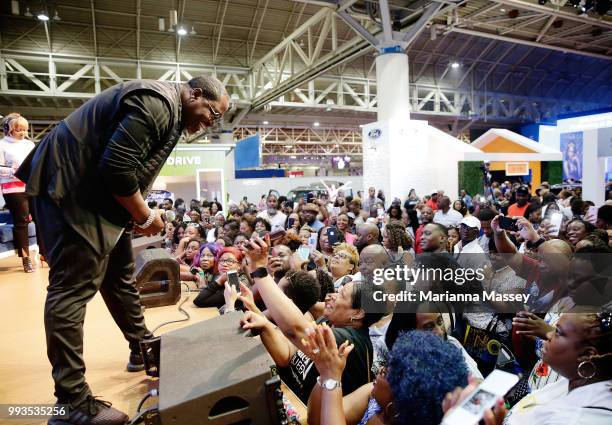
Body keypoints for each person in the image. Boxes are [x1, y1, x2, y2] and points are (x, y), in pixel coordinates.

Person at [16, 75, 229, 423]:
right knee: (71, 290)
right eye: (212, 112)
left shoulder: (170, 110)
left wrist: (132, 213)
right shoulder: (158, 103)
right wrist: (145, 216)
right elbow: (116, 169)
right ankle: (71, 403)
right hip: (71, 193)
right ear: (194, 93)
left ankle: (142, 348)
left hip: (92, 198)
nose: (211, 122)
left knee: (118, 276)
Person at [240, 235, 383, 404]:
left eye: (341, 295)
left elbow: (295, 330)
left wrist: (260, 271)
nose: (331, 296)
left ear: (358, 313)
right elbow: (287, 353)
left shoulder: (350, 342)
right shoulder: (328, 321)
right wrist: (261, 318)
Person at [304, 329, 469, 425]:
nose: (379, 369)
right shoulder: (372, 396)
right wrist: (325, 373)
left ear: (395, 407)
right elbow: (316, 420)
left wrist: (331, 378)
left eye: (386, 372)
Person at [503, 310, 612, 425]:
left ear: (587, 355)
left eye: (558, 332)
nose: (548, 334)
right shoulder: (574, 381)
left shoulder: (574, 419)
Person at [0, 113, 36, 272]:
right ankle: (26, 259)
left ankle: (46, 255)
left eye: (24, 130)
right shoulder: (2, 145)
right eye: (18, 130)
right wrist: (14, 171)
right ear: (8, 129)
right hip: (13, 189)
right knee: (21, 223)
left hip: (32, 186)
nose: (22, 133)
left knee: (42, 219)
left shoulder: (29, 145)